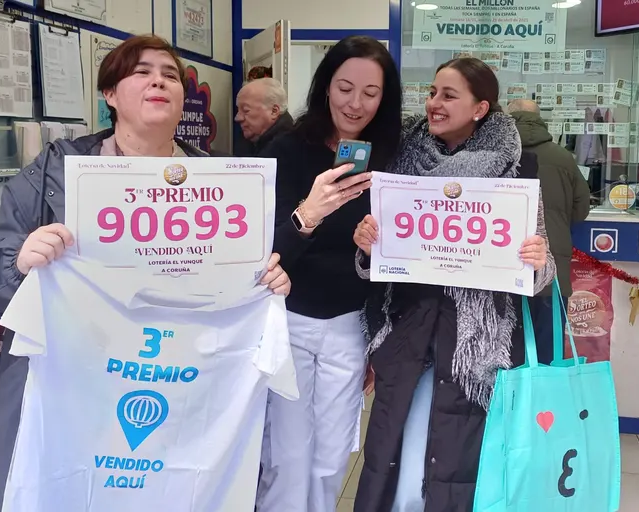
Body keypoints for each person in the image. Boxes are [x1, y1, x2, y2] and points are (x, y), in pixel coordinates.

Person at [0, 35, 292, 512]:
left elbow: (244, 279)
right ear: (110, 94)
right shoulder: (55, 173)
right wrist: (19, 262)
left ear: (183, 99)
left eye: (170, 74)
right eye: (141, 71)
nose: (159, 79)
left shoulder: (223, 184)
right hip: (71, 388)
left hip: (181, 385)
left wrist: (267, 283)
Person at [352, 57, 556, 511]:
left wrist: (537, 259)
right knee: (398, 462)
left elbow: (541, 273)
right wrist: (368, 245)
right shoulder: (399, 160)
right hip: (408, 333)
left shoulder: (516, 171)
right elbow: (377, 260)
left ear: (480, 108)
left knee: (457, 463)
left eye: (448, 95)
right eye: (431, 93)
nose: (433, 104)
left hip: (474, 346)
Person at [255, 35, 402, 512]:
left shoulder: (392, 157)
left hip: (350, 326)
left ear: (385, 98)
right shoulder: (288, 149)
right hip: (288, 321)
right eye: (344, 87)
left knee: (332, 454)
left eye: (370, 93)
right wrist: (308, 213)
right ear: (325, 86)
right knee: (287, 453)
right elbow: (263, 252)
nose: (355, 103)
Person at [507, 99, 590, 349]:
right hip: (550, 272)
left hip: (505, 270)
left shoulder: (498, 155)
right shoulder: (563, 157)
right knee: (547, 351)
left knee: (506, 354)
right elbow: (581, 210)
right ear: (539, 119)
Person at [234, 77, 294, 156]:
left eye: (246, 110)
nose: (237, 118)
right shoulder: (246, 140)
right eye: (238, 110)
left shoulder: (294, 149)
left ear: (274, 111)